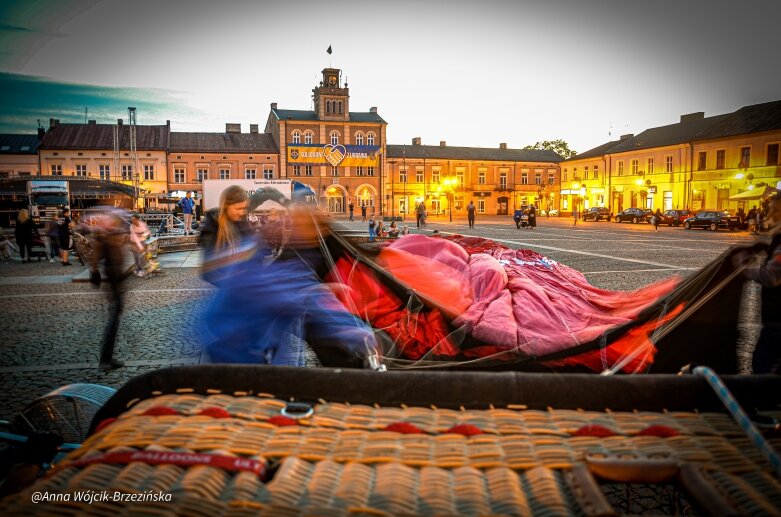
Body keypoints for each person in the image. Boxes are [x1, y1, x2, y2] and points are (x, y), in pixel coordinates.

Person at [200, 187, 378, 368]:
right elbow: (296, 294)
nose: (242, 213)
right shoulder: (258, 264)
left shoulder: (274, 255)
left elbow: (298, 289)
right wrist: (353, 331)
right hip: (241, 355)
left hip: (256, 347)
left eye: (244, 209)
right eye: (238, 209)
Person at [734, 196, 781, 374]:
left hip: (777, 321)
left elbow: (772, 276)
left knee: (762, 367)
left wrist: (743, 268)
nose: (770, 214)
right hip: (774, 319)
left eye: (775, 209)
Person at [86, 203, 128, 371]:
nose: (115, 224)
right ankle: (105, 360)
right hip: (114, 283)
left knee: (114, 320)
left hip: (116, 281)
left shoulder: (108, 236)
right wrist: (95, 273)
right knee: (113, 321)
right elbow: (95, 259)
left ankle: (107, 358)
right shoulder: (103, 238)